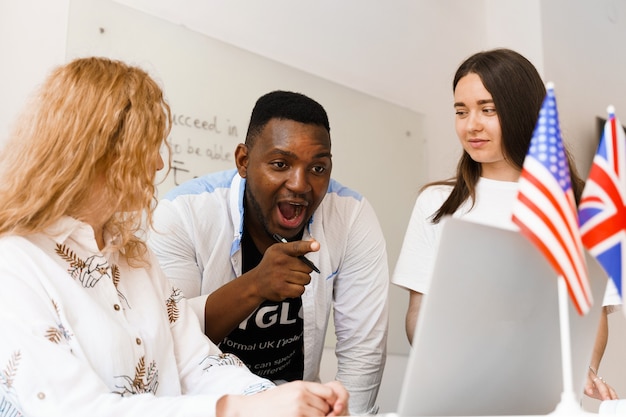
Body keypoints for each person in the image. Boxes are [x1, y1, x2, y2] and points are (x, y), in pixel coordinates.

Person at [0, 57, 349, 417]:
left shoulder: (134, 258)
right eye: (146, 146)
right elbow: (72, 409)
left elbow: (196, 360)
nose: (157, 164)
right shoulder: (14, 263)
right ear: (95, 150)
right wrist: (235, 409)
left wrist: (285, 399)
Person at [391, 48, 618, 402]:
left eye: (488, 109)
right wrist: (451, 360)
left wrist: (582, 368)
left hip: (547, 397)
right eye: (461, 111)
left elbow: (593, 314)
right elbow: (418, 310)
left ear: (522, 110)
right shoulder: (435, 203)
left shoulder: (580, 207)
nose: (471, 125)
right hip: (458, 395)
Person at [148, 90, 389, 415]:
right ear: (243, 161)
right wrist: (255, 286)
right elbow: (169, 340)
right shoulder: (184, 213)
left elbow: (363, 350)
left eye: (318, 168)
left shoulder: (351, 215)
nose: (300, 184)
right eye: (280, 164)